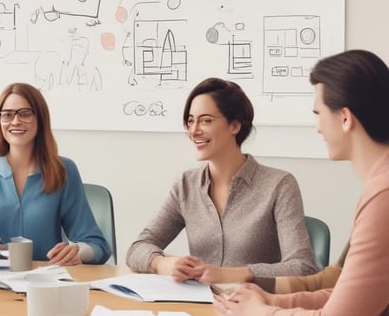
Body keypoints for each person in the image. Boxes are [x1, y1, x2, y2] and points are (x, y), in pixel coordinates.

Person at [214, 49, 389, 316]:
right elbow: (343, 290)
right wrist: (273, 301)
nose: (318, 127)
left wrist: (261, 315)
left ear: (345, 117)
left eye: (318, 113)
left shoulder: (384, 197)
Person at [126, 77, 316, 284]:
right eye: (191, 121)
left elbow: (302, 267)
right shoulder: (186, 185)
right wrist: (163, 263)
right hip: (199, 309)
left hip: (254, 309)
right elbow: (138, 248)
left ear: (234, 125)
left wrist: (229, 275)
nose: (194, 130)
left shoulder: (279, 185)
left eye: (205, 121)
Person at [0, 82, 111, 265]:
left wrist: (77, 252)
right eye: (7, 114)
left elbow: (98, 247)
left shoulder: (64, 170)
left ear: (40, 118)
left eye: (25, 113)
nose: (15, 121)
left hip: (45, 283)